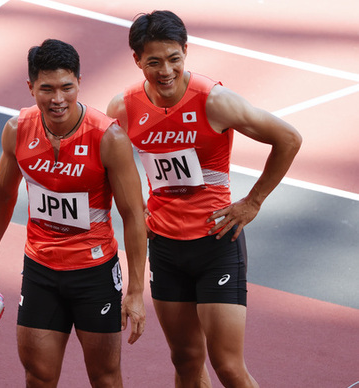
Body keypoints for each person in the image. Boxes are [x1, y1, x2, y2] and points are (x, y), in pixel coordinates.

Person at [107, 10, 303, 388]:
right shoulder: (123, 108)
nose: (166, 71)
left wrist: (253, 201)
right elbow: (110, 164)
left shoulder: (216, 102)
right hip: (164, 247)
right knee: (185, 362)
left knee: (227, 366)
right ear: (137, 60)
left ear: (185, 52)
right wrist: (136, 200)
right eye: (154, 62)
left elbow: (289, 139)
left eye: (174, 59)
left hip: (216, 243)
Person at [0, 39, 148, 387]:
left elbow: (132, 214)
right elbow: (2, 195)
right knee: (38, 376)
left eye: (67, 87)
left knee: (105, 377)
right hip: (40, 270)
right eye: (47, 89)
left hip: (94, 273)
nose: (58, 99)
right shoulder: (17, 131)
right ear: (30, 87)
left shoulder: (107, 138)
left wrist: (135, 291)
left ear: (79, 83)